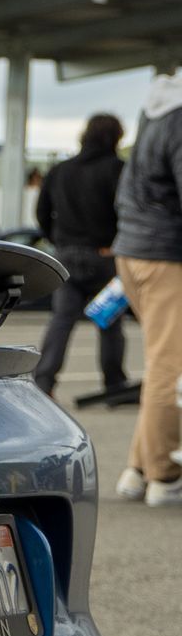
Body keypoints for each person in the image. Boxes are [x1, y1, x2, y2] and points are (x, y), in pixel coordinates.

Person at [112, 73, 182, 505]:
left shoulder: (155, 110)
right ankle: (166, 475)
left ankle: (137, 471)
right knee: (171, 367)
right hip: (165, 254)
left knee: (160, 359)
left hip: (133, 250)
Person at [32, 112, 127, 400]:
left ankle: (44, 382)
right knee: (109, 320)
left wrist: (57, 239)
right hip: (105, 255)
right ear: (114, 138)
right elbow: (128, 209)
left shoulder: (60, 170)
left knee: (61, 320)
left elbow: (41, 212)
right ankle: (114, 383)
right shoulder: (117, 169)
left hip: (65, 257)